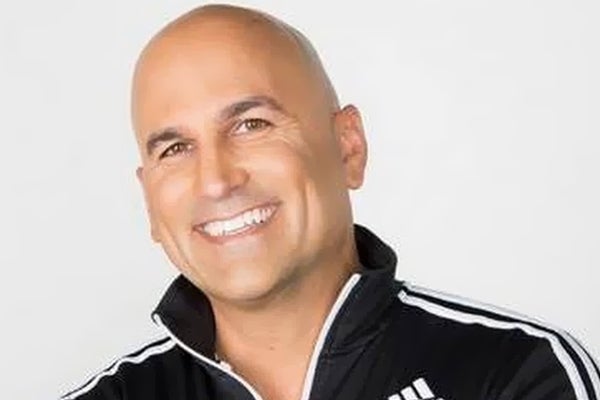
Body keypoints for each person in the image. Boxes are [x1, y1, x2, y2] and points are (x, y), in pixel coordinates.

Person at [60, 4, 599, 400]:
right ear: (150, 204)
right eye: (175, 149)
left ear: (348, 147)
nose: (216, 181)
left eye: (252, 125)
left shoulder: (516, 374)